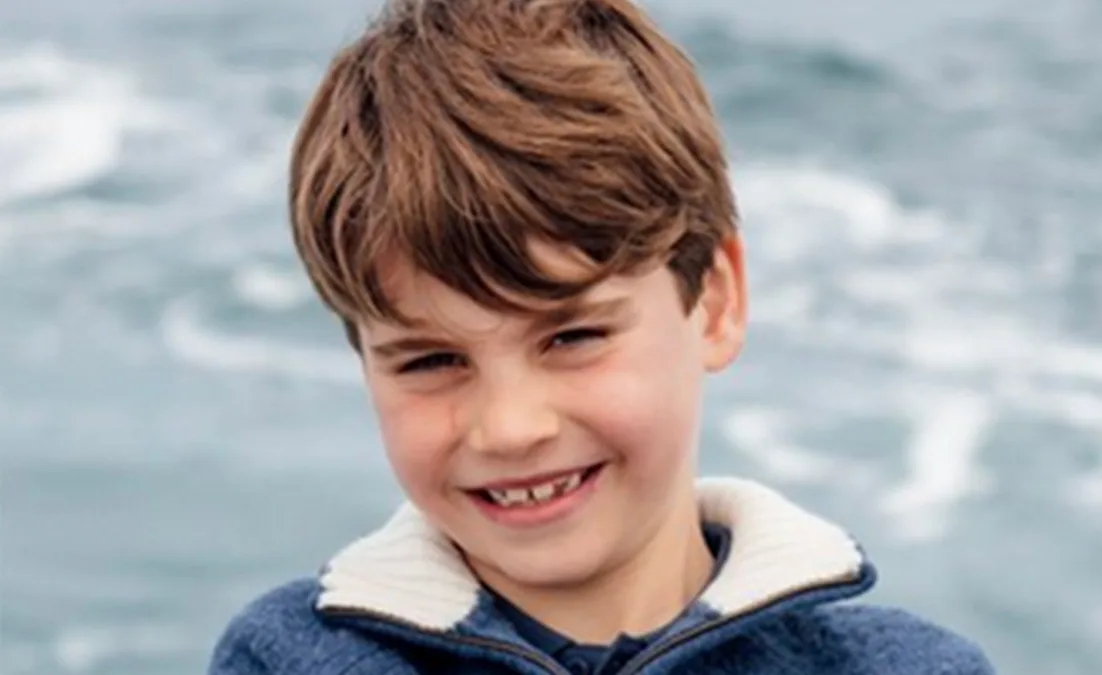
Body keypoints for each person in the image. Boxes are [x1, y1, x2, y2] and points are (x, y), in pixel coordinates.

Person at [206, 0, 995, 672]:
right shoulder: (281, 657)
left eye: (573, 336)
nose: (511, 427)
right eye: (433, 359)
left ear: (714, 301)